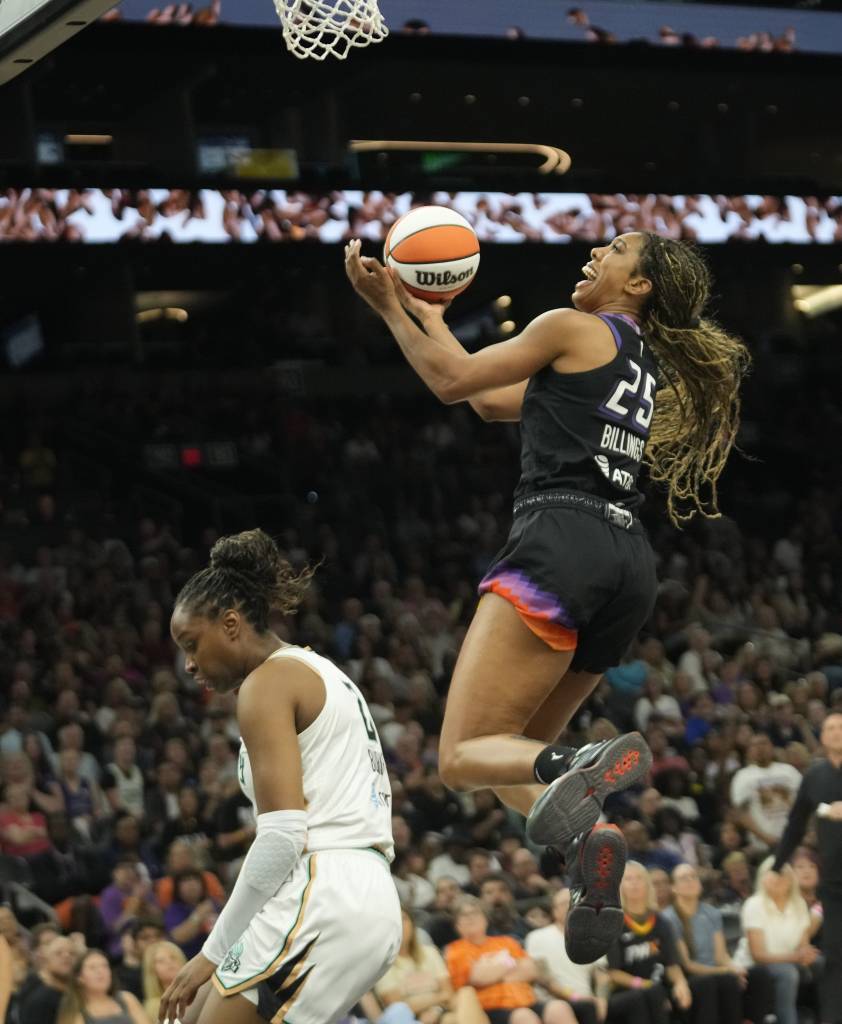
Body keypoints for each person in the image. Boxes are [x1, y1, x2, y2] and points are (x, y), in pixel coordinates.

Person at [345, 230, 747, 959]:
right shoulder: (639, 359)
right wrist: (427, 312)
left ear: (640, 285)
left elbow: (449, 383)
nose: (595, 253)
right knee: (511, 750)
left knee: (461, 756)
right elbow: (493, 403)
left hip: (559, 541)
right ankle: (588, 846)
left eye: (616, 249)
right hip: (627, 563)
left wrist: (385, 308)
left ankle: (577, 767)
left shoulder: (571, 327)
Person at [158, 528, 401, 1024]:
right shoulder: (318, 670)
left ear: (230, 624)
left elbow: (284, 836)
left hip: (323, 890)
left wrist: (210, 951)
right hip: (361, 894)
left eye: (191, 644)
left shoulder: (267, 683)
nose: (187, 664)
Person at [772, 711, 842, 1024]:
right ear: (822, 736)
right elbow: (795, 824)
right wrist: (777, 865)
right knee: (834, 957)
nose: (836, 731)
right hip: (833, 882)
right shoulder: (815, 776)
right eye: (830, 727)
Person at [446, 896, 577, 1024]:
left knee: (559, 1008)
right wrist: (510, 965)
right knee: (524, 1017)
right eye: (464, 915)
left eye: (475, 913)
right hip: (490, 1008)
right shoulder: (455, 950)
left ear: (485, 918)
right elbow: (477, 977)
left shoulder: (507, 942)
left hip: (525, 1001)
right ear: (457, 924)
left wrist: (492, 971)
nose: (471, 918)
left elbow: (530, 970)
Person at [733, 857, 821, 1024]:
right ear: (763, 878)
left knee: (822, 963)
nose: (779, 878)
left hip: (788, 960)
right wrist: (797, 956)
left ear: (791, 880)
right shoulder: (754, 904)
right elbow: (758, 955)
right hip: (753, 966)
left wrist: (807, 954)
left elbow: (803, 945)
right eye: (773, 874)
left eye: (783, 874)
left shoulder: (799, 904)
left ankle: (826, 1017)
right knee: (787, 973)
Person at [605, 861, 692, 1024]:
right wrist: (647, 986)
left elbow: (672, 964)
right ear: (619, 886)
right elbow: (613, 973)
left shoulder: (662, 922)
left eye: (639, 878)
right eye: (628, 879)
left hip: (658, 986)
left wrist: (681, 983)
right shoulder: (613, 923)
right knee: (652, 994)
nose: (635, 883)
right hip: (628, 992)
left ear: (647, 884)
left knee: (701, 986)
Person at [662, 863, 745, 1024]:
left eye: (693, 876)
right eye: (683, 878)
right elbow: (688, 965)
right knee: (712, 982)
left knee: (746, 977)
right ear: (673, 887)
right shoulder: (669, 918)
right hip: (688, 977)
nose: (690, 881)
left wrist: (734, 968)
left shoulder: (711, 912)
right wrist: (725, 971)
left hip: (715, 972)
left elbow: (721, 956)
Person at [375, 908, 489, 1024]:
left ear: (412, 924)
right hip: (413, 1019)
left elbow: (448, 993)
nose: (401, 924)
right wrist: (439, 998)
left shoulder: (430, 952)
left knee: (466, 993)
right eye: (395, 920)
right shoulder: (384, 963)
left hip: (440, 1011)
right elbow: (398, 1007)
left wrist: (436, 1009)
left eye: (404, 919)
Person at [525, 888, 608, 1024]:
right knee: (587, 1007)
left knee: (636, 998)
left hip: (588, 1001)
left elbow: (601, 974)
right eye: (564, 903)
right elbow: (544, 980)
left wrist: (602, 999)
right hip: (554, 1002)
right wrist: (575, 997)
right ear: (554, 910)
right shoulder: (537, 937)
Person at [730, 733, 801, 852]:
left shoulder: (789, 771)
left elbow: (804, 803)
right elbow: (742, 813)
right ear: (749, 751)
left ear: (772, 747)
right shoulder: (742, 776)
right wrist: (766, 838)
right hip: (763, 845)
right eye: (755, 745)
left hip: (794, 840)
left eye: (763, 743)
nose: (760, 748)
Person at [56, 948, 149, 1024]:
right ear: (79, 977)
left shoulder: (127, 999)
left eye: (105, 966)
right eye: (92, 967)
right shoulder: (75, 1012)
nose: (100, 971)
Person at [18, 934, 76, 1024]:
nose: (66, 956)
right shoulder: (39, 1001)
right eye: (58, 953)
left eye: (72, 953)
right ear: (46, 959)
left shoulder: (79, 993)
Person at [142, 941, 187, 1022]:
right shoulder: (152, 1007)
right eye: (161, 961)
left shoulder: (200, 992)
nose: (169, 962)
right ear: (152, 971)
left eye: (173, 957)